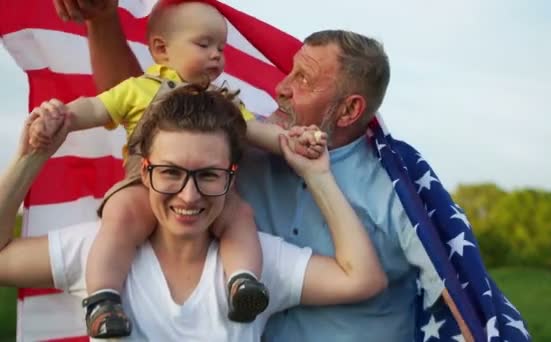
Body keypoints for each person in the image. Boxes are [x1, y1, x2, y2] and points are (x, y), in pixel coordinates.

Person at [52, 1, 474, 341]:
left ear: (350, 109)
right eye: (288, 70)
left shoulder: (401, 191)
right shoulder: (235, 148)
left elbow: (466, 303)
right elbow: (148, 108)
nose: (280, 87)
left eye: (302, 79)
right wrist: (103, 18)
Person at [0, 83, 388, 341]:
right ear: (145, 170)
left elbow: (362, 279)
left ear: (232, 176)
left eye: (208, 175)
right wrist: (31, 157)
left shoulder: (257, 262)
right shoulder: (97, 250)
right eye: (170, 173)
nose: (188, 196)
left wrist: (316, 175)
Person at [31, 1, 326, 338]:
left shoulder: (223, 101)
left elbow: (260, 132)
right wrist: (61, 118)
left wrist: (295, 140)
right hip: (144, 184)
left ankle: (243, 282)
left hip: (207, 189)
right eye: (204, 45)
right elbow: (95, 108)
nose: (217, 55)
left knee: (240, 214)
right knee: (120, 219)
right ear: (161, 49)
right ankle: (103, 299)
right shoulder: (140, 88)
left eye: (221, 47)